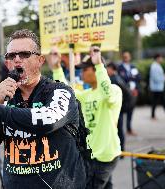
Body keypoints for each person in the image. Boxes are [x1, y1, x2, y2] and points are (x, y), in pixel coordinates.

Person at [0, 29, 87, 189]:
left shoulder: (60, 91)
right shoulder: (3, 100)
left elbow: (48, 120)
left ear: (40, 60)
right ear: (7, 63)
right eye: (11, 56)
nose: (17, 60)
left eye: (24, 54)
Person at [49, 46, 122, 189]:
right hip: (91, 155)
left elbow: (108, 95)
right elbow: (65, 92)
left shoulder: (114, 90)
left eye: (85, 70)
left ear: (95, 70)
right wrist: (57, 68)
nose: (81, 73)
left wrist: (99, 65)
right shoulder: (86, 94)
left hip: (104, 156)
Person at [106, 62, 133, 152]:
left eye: (108, 69)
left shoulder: (114, 80)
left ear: (112, 69)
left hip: (118, 108)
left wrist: (122, 105)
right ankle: (121, 149)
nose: (106, 70)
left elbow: (126, 94)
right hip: (120, 107)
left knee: (118, 129)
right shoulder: (117, 78)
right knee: (119, 129)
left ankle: (121, 149)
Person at [117, 51, 141, 136]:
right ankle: (120, 130)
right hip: (124, 94)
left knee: (131, 111)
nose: (126, 58)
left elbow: (138, 78)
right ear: (122, 58)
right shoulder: (119, 68)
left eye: (127, 56)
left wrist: (136, 89)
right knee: (122, 112)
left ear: (130, 57)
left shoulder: (133, 66)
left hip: (133, 93)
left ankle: (129, 128)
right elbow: (120, 80)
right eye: (124, 56)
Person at [149, 54, 165, 119]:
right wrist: (164, 77)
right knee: (161, 101)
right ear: (157, 58)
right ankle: (153, 115)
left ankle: (153, 115)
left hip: (158, 87)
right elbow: (156, 78)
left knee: (158, 101)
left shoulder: (157, 65)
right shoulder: (155, 66)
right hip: (157, 88)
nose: (162, 59)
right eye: (161, 58)